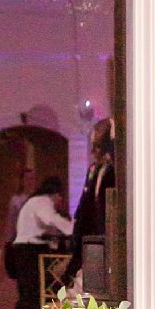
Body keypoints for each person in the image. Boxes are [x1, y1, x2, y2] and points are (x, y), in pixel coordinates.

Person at [6, 175, 72, 309]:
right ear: (56, 194)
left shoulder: (33, 202)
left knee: (30, 298)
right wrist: (71, 228)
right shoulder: (42, 201)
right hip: (30, 252)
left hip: (25, 250)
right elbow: (50, 219)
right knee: (31, 298)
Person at [65, 118, 115, 283]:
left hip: (109, 237)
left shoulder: (115, 170)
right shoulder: (94, 170)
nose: (93, 151)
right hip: (94, 239)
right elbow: (86, 207)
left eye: (97, 145)